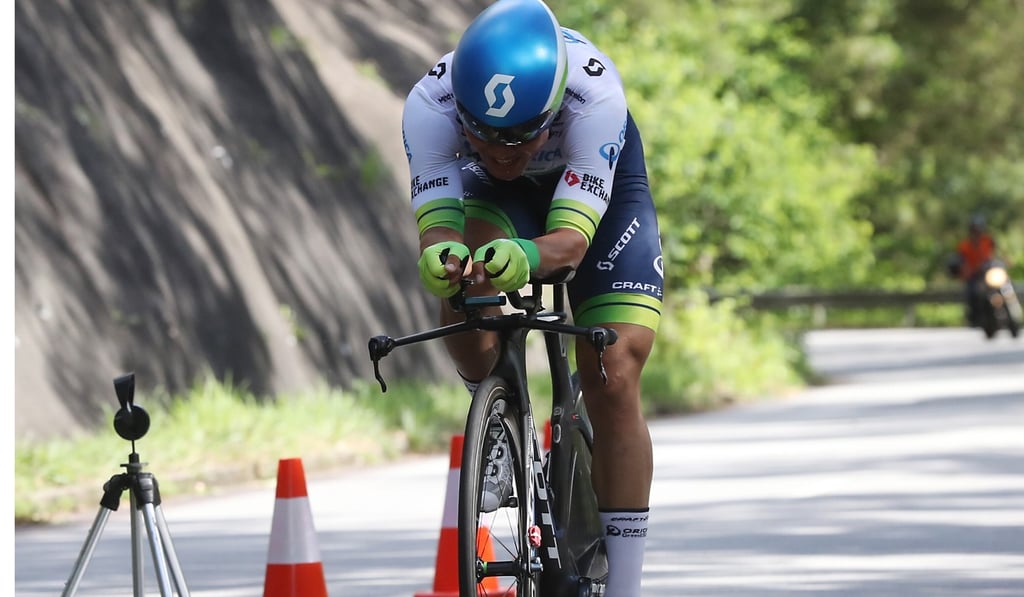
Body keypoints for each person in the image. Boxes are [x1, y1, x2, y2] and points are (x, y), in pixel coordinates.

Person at [401, 0, 663, 594]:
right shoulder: (429, 104)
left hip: (601, 189)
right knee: (467, 276)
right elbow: (438, 227)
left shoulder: (596, 97)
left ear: (554, 105)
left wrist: (528, 256)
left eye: (522, 134)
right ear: (460, 110)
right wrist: (441, 256)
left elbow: (569, 244)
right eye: (484, 133)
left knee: (615, 369)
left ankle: (624, 586)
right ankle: (494, 421)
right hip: (495, 198)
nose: (502, 150)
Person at [955, 215, 997, 326]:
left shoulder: (988, 240)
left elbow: (996, 254)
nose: (976, 231)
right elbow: (961, 261)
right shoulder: (965, 245)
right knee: (974, 292)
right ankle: (975, 316)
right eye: (974, 228)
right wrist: (968, 271)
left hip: (989, 272)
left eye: (978, 228)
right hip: (975, 275)